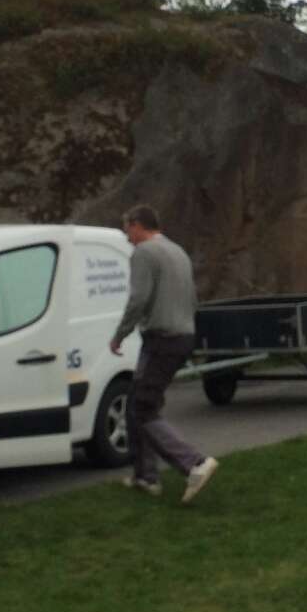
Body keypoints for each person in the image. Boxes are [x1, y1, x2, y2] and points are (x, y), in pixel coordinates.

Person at [109, 204, 219, 503]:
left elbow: (138, 299)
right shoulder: (177, 250)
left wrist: (119, 335)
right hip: (182, 336)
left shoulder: (144, 253)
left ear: (137, 225)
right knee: (138, 400)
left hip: (162, 339)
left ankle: (194, 464)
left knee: (142, 408)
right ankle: (145, 475)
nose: (126, 237)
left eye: (127, 229)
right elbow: (192, 297)